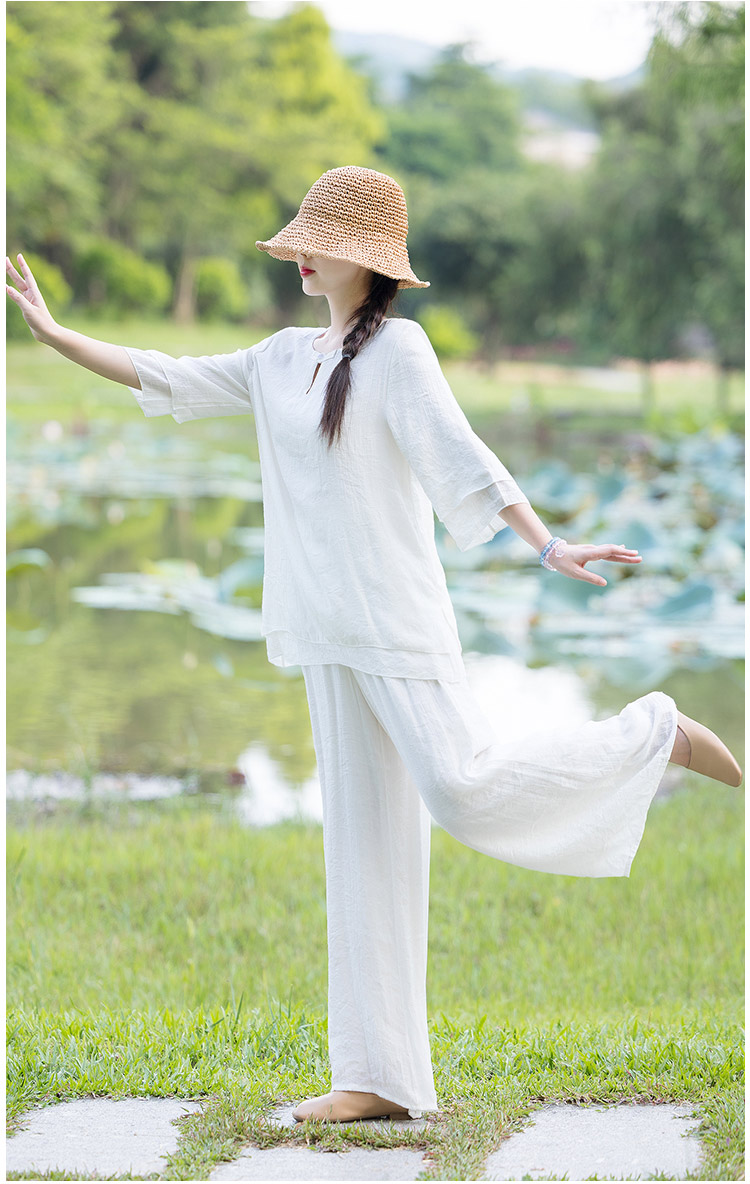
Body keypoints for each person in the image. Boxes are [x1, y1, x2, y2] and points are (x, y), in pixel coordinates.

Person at [6, 165, 742, 1125]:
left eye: (313, 239)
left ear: (362, 259)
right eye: (297, 237)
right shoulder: (277, 358)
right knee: (361, 846)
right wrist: (57, 336)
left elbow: (461, 458)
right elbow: (166, 374)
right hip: (328, 633)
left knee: (462, 789)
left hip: (398, 624)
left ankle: (654, 735)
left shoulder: (401, 353)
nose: (297, 252)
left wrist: (549, 544)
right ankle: (379, 1077)